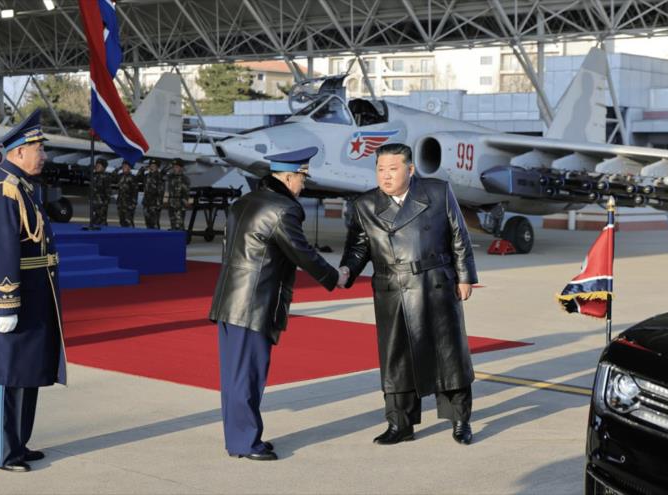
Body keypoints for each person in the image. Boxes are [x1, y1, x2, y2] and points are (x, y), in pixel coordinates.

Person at [209, 147, 346, 461]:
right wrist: (332, 277)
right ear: (288, 176)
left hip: (229, 299)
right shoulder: (283, 209)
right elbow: (302, 253)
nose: (303, 185)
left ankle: (241, 436)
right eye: (302, 177)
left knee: (234, 374)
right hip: (253, 303)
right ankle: (244, 442)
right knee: (249, 375)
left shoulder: (243, 202)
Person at [339, 143, 477, 446]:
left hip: (435, 284)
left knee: (448, 357)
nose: (385, 176)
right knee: (396, 360)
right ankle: (399, 424)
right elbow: (358, 246)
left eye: (393, 169)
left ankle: (460, 421)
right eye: (380, 169)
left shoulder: (438, 192)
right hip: (393, 289)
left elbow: (459, 236)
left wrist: (465, 277)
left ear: (410, 170)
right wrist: (347, 270)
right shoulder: (365, 205)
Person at [0, 109, 67, 473]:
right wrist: (5, 303)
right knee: (5, 374)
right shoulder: (3, 190)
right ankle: (1, 452)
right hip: (10, 292)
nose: (43, 155)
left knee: (26, 371)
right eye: (38, 148)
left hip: (34, 292)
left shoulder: (24, 187)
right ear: (18, 151)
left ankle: (19, 444)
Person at [165, 159, 190, 231]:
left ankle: (181, 240)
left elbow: (186, 192)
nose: (174, 168)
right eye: (174, 167)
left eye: (177, 167)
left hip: (180, 203)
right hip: (171, 203)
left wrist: (186, 202)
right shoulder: (170, 177)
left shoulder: (185, 178)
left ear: (181, 168)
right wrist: (169, 166)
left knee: (179, 224)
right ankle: (174, 240)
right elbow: (162, 174)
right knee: (172, 223)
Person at [142, 159, 165, 229]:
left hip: (154, 205)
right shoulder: (147, 176)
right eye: (151, 166)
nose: (152, 167)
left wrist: (158, 205)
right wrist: (143, 169)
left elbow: (161, 192)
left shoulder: (159, 176)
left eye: (154, 166)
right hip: (146, 203)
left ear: (157, 167)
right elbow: (137, 177)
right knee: (147, 223)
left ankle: (156, 239)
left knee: (154, 224)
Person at [89, 158, 112, 227]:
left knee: (101, 221)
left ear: (104, 167)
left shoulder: (106, 177)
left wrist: (105, 203)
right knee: (93, 221)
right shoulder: (94, 176)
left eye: (99, 165)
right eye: (97, 164)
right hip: (94, 202)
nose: (97, 166)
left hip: (101, 204)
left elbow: (108, 191)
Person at [115, 161, 138, 227]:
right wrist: (118, 168)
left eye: (125, 166)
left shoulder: (133, 178)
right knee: (122, 221)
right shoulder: (120, 176)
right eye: (123, 166)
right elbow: (112, 176)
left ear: (129, 168)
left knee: (129, 222)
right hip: (120, 203)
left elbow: (135, 192)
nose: (124, 167)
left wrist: (133, 204)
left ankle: (131, 236)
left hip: (129, 204)